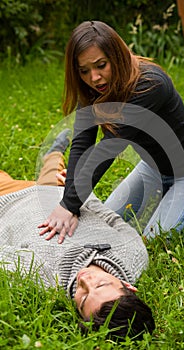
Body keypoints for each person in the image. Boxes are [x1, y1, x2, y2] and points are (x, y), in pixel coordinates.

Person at [38, 20, 184, 243]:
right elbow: (82, 142)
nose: (94, 78)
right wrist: (70, 200)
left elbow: (108, 148)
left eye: (101, 65)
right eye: (84, 71)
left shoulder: (149, 85)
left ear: (116, 56)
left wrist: (69, 204)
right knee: (105, 225)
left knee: (152, 242)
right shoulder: (91, 89)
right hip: (154, 168)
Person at [0, 129, 155, 340]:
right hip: (60, 192)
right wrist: (81, 193)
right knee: (54, 170)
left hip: (10, 200)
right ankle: (54, 152)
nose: (85, 281)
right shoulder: (132, 253)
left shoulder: (46, 280)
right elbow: (111, 218)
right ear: (128, 286)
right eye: (100, 284)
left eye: (83, 300)